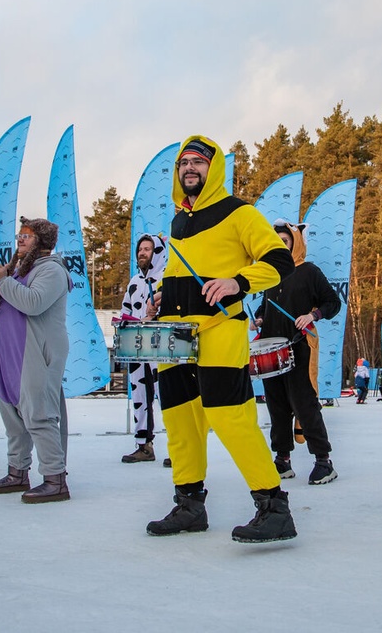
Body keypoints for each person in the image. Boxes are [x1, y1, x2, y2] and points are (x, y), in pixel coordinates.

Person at [145, 136, 298, 543]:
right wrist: (162, 294)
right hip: (175, 335)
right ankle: (189, 505)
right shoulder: (179, 221)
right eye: (183, 163)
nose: (189, 169)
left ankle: (274, 506)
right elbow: (181, 268)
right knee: (179, 421)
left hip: (219, 330)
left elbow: (280, 261)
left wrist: (239, 281)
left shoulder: (238, 212)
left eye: (198, 162)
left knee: (231, 419)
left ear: (213, 170)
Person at [0, 217, 72, 503]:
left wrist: (4, 281)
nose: (20, 239)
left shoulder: (51, 270)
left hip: (36, 352)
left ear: (42, 242)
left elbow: (33, 303)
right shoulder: (21, 271)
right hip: (11, 351)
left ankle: (55, 478)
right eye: (20, 235)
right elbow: (7, 310)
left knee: (40, 414)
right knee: (13, 417)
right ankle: (17, 472)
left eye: (27, 236)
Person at [254, 221, 342, 484]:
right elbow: (265, 306)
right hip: (272, 349)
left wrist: (312, 314)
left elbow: (332, 302)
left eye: (286, 240)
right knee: (277, 406)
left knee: (304, 403)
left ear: (295, 242)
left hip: (299, 346)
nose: (281, 245)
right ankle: (282, 459)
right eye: (277, 241)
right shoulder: (270, 274)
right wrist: (259, 318)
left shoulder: (309, 272)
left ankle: (324, 461)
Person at [115, 234, 168, 464]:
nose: (142, 253)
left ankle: (182, 448)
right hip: (136, 345)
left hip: (161, 345)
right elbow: (126, 308)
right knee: (140, 395)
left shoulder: (167, 278)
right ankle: (143, 445)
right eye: (140, 249)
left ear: (157, 252)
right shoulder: (135, 281)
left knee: (167, 396)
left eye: (147, 249)